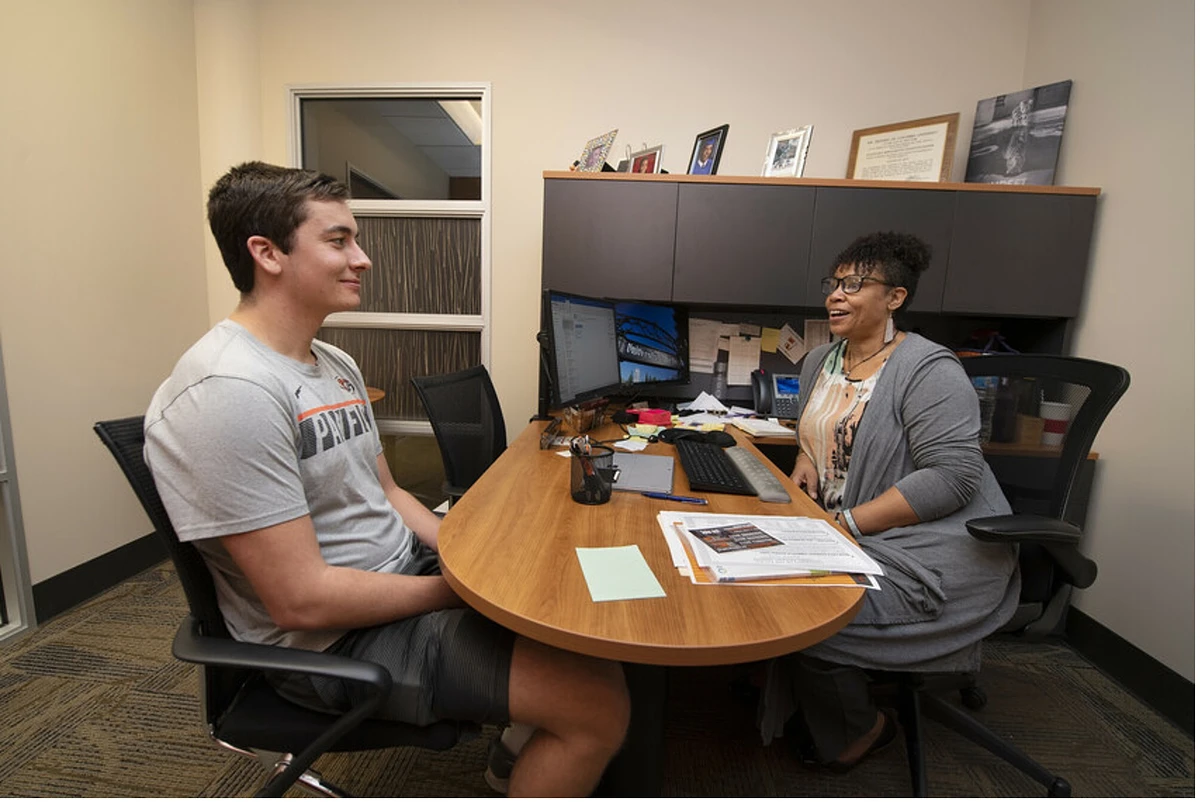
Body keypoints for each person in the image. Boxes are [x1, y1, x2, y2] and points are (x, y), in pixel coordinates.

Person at [143, 162, 629, 797]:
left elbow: (391, 494)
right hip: (329, 646)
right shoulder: (230, 391)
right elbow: (302, 599)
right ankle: (543, 746)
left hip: (401, 585)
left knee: (583, 615)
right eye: (338, 240)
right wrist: (462, 589)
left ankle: (515, 763)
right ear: (266, 253)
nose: (363, 258)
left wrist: (468, 553)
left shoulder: (333, 362)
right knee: (597, 704)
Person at [761, 231, 1019, 770]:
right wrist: (807, 459)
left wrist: (845, 524)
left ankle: (864, 730)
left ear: (895, 298)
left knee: (804, 612)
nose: (834, 294)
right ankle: (823, 702)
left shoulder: (928, 369)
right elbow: (816, 434)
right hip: (841, 528)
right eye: (833, 283)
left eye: (853, 284)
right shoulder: (819, 363)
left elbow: (952, 478)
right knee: (760, 584)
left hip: (929, 548)